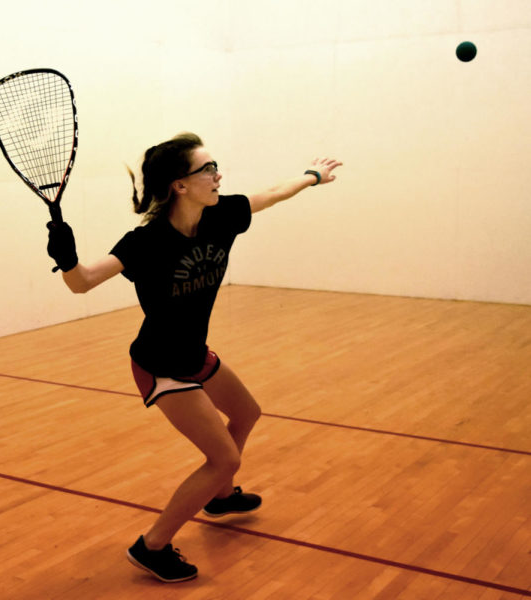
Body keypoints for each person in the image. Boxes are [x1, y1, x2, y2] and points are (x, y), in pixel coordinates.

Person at [46, 133, 343, 583]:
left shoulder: (222, 215)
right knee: (224, 457)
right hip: (160, 364)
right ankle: (152, 546)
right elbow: (82, 283)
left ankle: (220, 498)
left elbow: (272, 195)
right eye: (207, 169)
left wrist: (311, 177)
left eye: (214, 165)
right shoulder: (145, 242)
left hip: (194, 353)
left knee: (247, 412)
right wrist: (67, 258)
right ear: (180, 185)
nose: (217, 174)